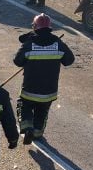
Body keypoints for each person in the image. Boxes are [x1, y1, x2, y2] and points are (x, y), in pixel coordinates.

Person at [13, 13, 75, 144]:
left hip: (29, 90)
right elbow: (69, 60)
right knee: (42, 112)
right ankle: (37, 133)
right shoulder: (57, 43)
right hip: (49, 92)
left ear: (35, 27)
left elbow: (17, 61)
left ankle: (26, 127)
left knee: (23, 105)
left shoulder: (29, 44)